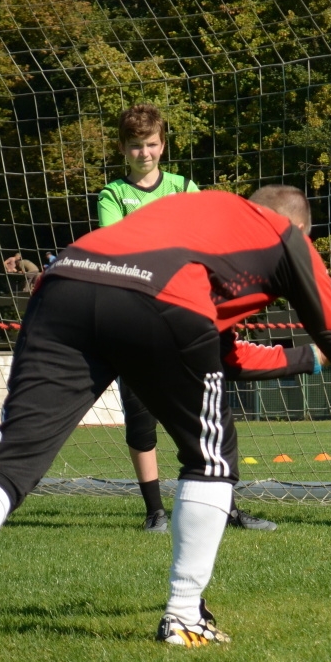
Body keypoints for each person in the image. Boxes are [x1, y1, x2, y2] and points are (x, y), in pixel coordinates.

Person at [0, 186, 331, 662]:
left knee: (11, 454)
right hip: (160, 298)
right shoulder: (286, 237)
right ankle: (185, 616)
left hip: (65, 282)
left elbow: (224, 353)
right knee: (210, 456)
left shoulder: (199, 215)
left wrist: (310, 361)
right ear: (299, 230)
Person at [97, 103, 276, 533]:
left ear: (163, 145)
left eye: (152, 144)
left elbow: (204, 239)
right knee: (141, 420)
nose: (145, 153)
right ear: (123, 148)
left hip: (186, 317)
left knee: (208, 414)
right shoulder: (112, 196)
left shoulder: (183, 186)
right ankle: (154, 511)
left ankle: (226, 507)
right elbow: (118, 249)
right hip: (135, 322)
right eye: (136, 145)